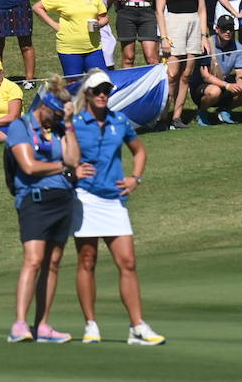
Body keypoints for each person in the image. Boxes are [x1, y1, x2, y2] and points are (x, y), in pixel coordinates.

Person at [68, 71, 164, 346]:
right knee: (87, 261)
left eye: (106, 91)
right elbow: (61, 153)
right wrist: (73, 170)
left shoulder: (118, 120)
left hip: (114, 200)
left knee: (128, 262)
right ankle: (91, 325)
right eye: (98, 90)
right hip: (85, 199)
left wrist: (136, 178)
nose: (102, 95)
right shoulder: (74, 123)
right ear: (87, 93)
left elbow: (140, 151)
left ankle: (137, 327)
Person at [6, 77, 81, 344]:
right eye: (57, 113)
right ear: (44, 106)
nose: (58, 119)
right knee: (34, 259)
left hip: (63, 198)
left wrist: (69, 124)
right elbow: (28, 167)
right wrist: (62, 168)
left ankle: (43, 326)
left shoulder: (60, 128)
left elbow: (74, 160)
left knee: (53, 263)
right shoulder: (21, 127)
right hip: (34, 199)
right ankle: (19, 324)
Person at [155, 0, 209, 129]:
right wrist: (164, 37)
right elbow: (159, 9)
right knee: (172, 73)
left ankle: (177, 117)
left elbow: (202, 9)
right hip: (174, 24)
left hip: (193, 23)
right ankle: (163, 115)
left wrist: (204, 35)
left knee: (187, 73)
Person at [192, 15, 242, 125]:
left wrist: (240, 83)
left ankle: (224, 110)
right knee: (214, 91)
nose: (228, 32)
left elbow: (240, 71)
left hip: (223, 83)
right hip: (203, 86)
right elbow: (205, 76)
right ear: (217, 29)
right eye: (224, 29)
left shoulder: (238, 46)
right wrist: (228, 86)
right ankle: (201, 112)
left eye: (230, 29)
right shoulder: (207, 45)